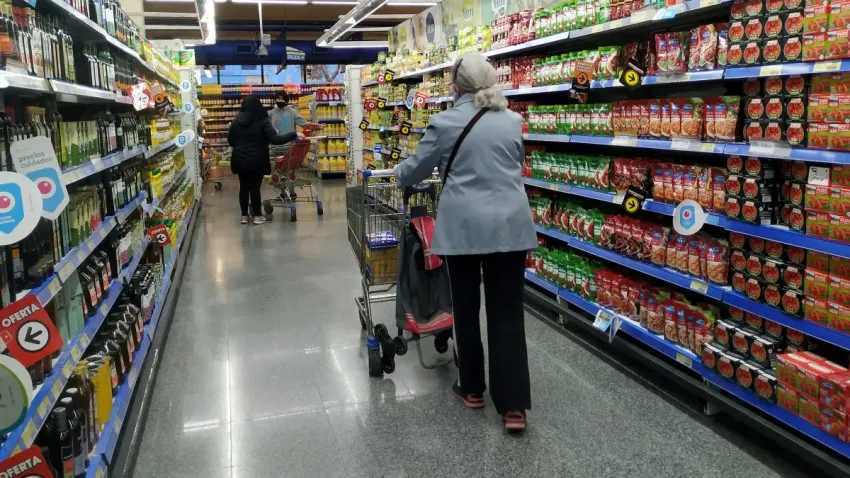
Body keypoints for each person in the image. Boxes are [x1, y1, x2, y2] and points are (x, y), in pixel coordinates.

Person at [393, 53, 538, 432]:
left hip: (464, 228)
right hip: (510, 226)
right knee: (507, 313)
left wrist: (397, 170)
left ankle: (472, 387)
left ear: (456, 86)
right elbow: (516, 161)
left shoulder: (444, 122)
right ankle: (513, 406)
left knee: (466, 308)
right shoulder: (512, 120)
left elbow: (414, 171)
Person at [227, 95, 299, 225]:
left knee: (244, 186)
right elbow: (275, 140)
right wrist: (294, 134)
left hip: (239, 159)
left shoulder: (236, 121)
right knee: (255, 187)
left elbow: (230, 141)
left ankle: (244, 216)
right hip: (257, 159)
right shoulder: (263, 121)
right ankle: (257, 216)